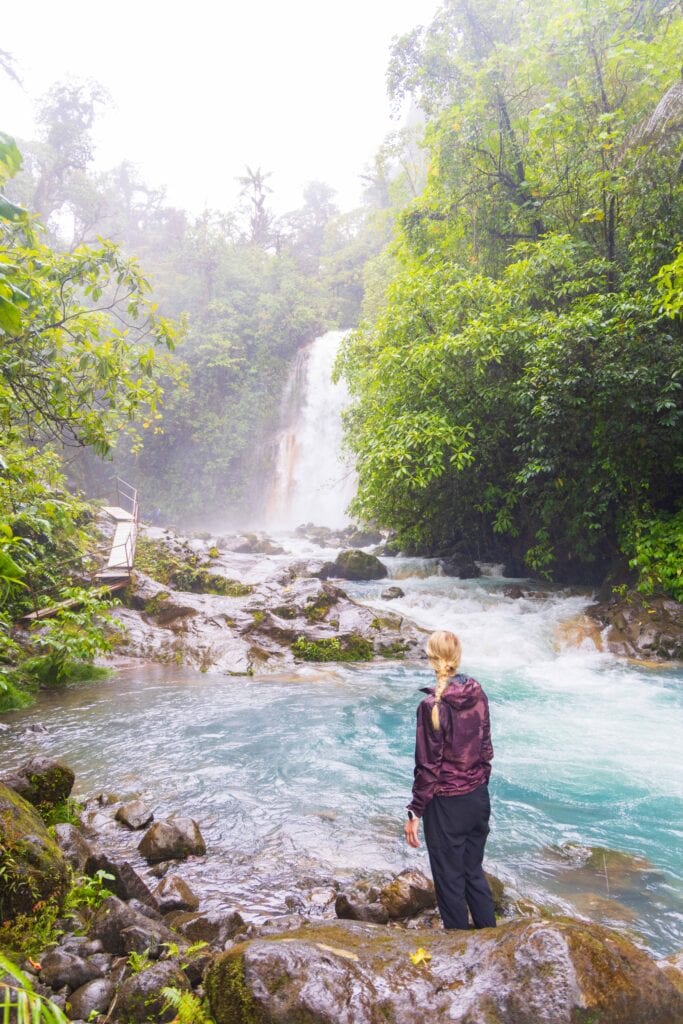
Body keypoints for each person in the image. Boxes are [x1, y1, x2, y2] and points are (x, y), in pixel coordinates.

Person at [404, 629, 496, 930]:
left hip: (447, 804)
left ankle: (460, 950)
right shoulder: (477, 694)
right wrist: (478, 785)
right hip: (478, 798)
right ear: (457, 658)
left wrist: (414, 811)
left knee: (449, 879)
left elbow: (428, 767)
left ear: (432, 659)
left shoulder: (432, 707)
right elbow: (486, 749)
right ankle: (490, 938)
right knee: (473, 871)